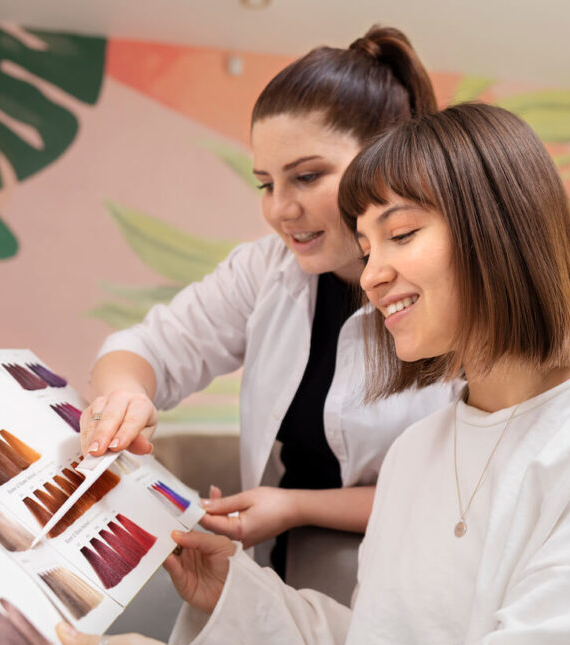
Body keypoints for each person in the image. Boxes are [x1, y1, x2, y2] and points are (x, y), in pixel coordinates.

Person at [57, 103, 570, 645]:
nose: (370, 274)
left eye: (401, 234)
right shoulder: (422, 448)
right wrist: (233, 596)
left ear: (500, 231)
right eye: (367, 244)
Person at [81, 26, 454, 602]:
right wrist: (125, 397)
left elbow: (461, 489)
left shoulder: (457, 292)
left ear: (388, 158)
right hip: (282, 571)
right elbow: (148, 349)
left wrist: (295, 506)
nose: (281, 210)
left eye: (307, 176)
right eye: (266, 182)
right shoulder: (266, 271)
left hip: (414, 577)